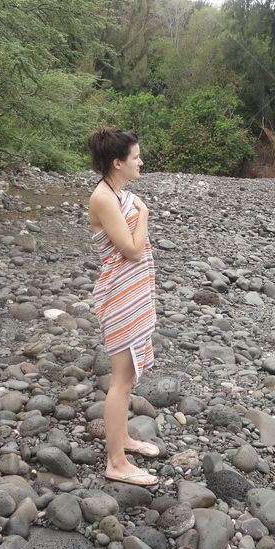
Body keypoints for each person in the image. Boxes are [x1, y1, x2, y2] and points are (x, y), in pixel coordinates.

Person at [87, 126, 161, 486]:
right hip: (119, 295)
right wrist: (144, 214)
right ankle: (115, 461)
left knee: (128, 376)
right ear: (117, 163)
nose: (141, 162)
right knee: (121, 379)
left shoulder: (118, 192)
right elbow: (130, 249)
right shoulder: (104, 197)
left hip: (133, 292)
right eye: (135, 157)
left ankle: (124, 439)